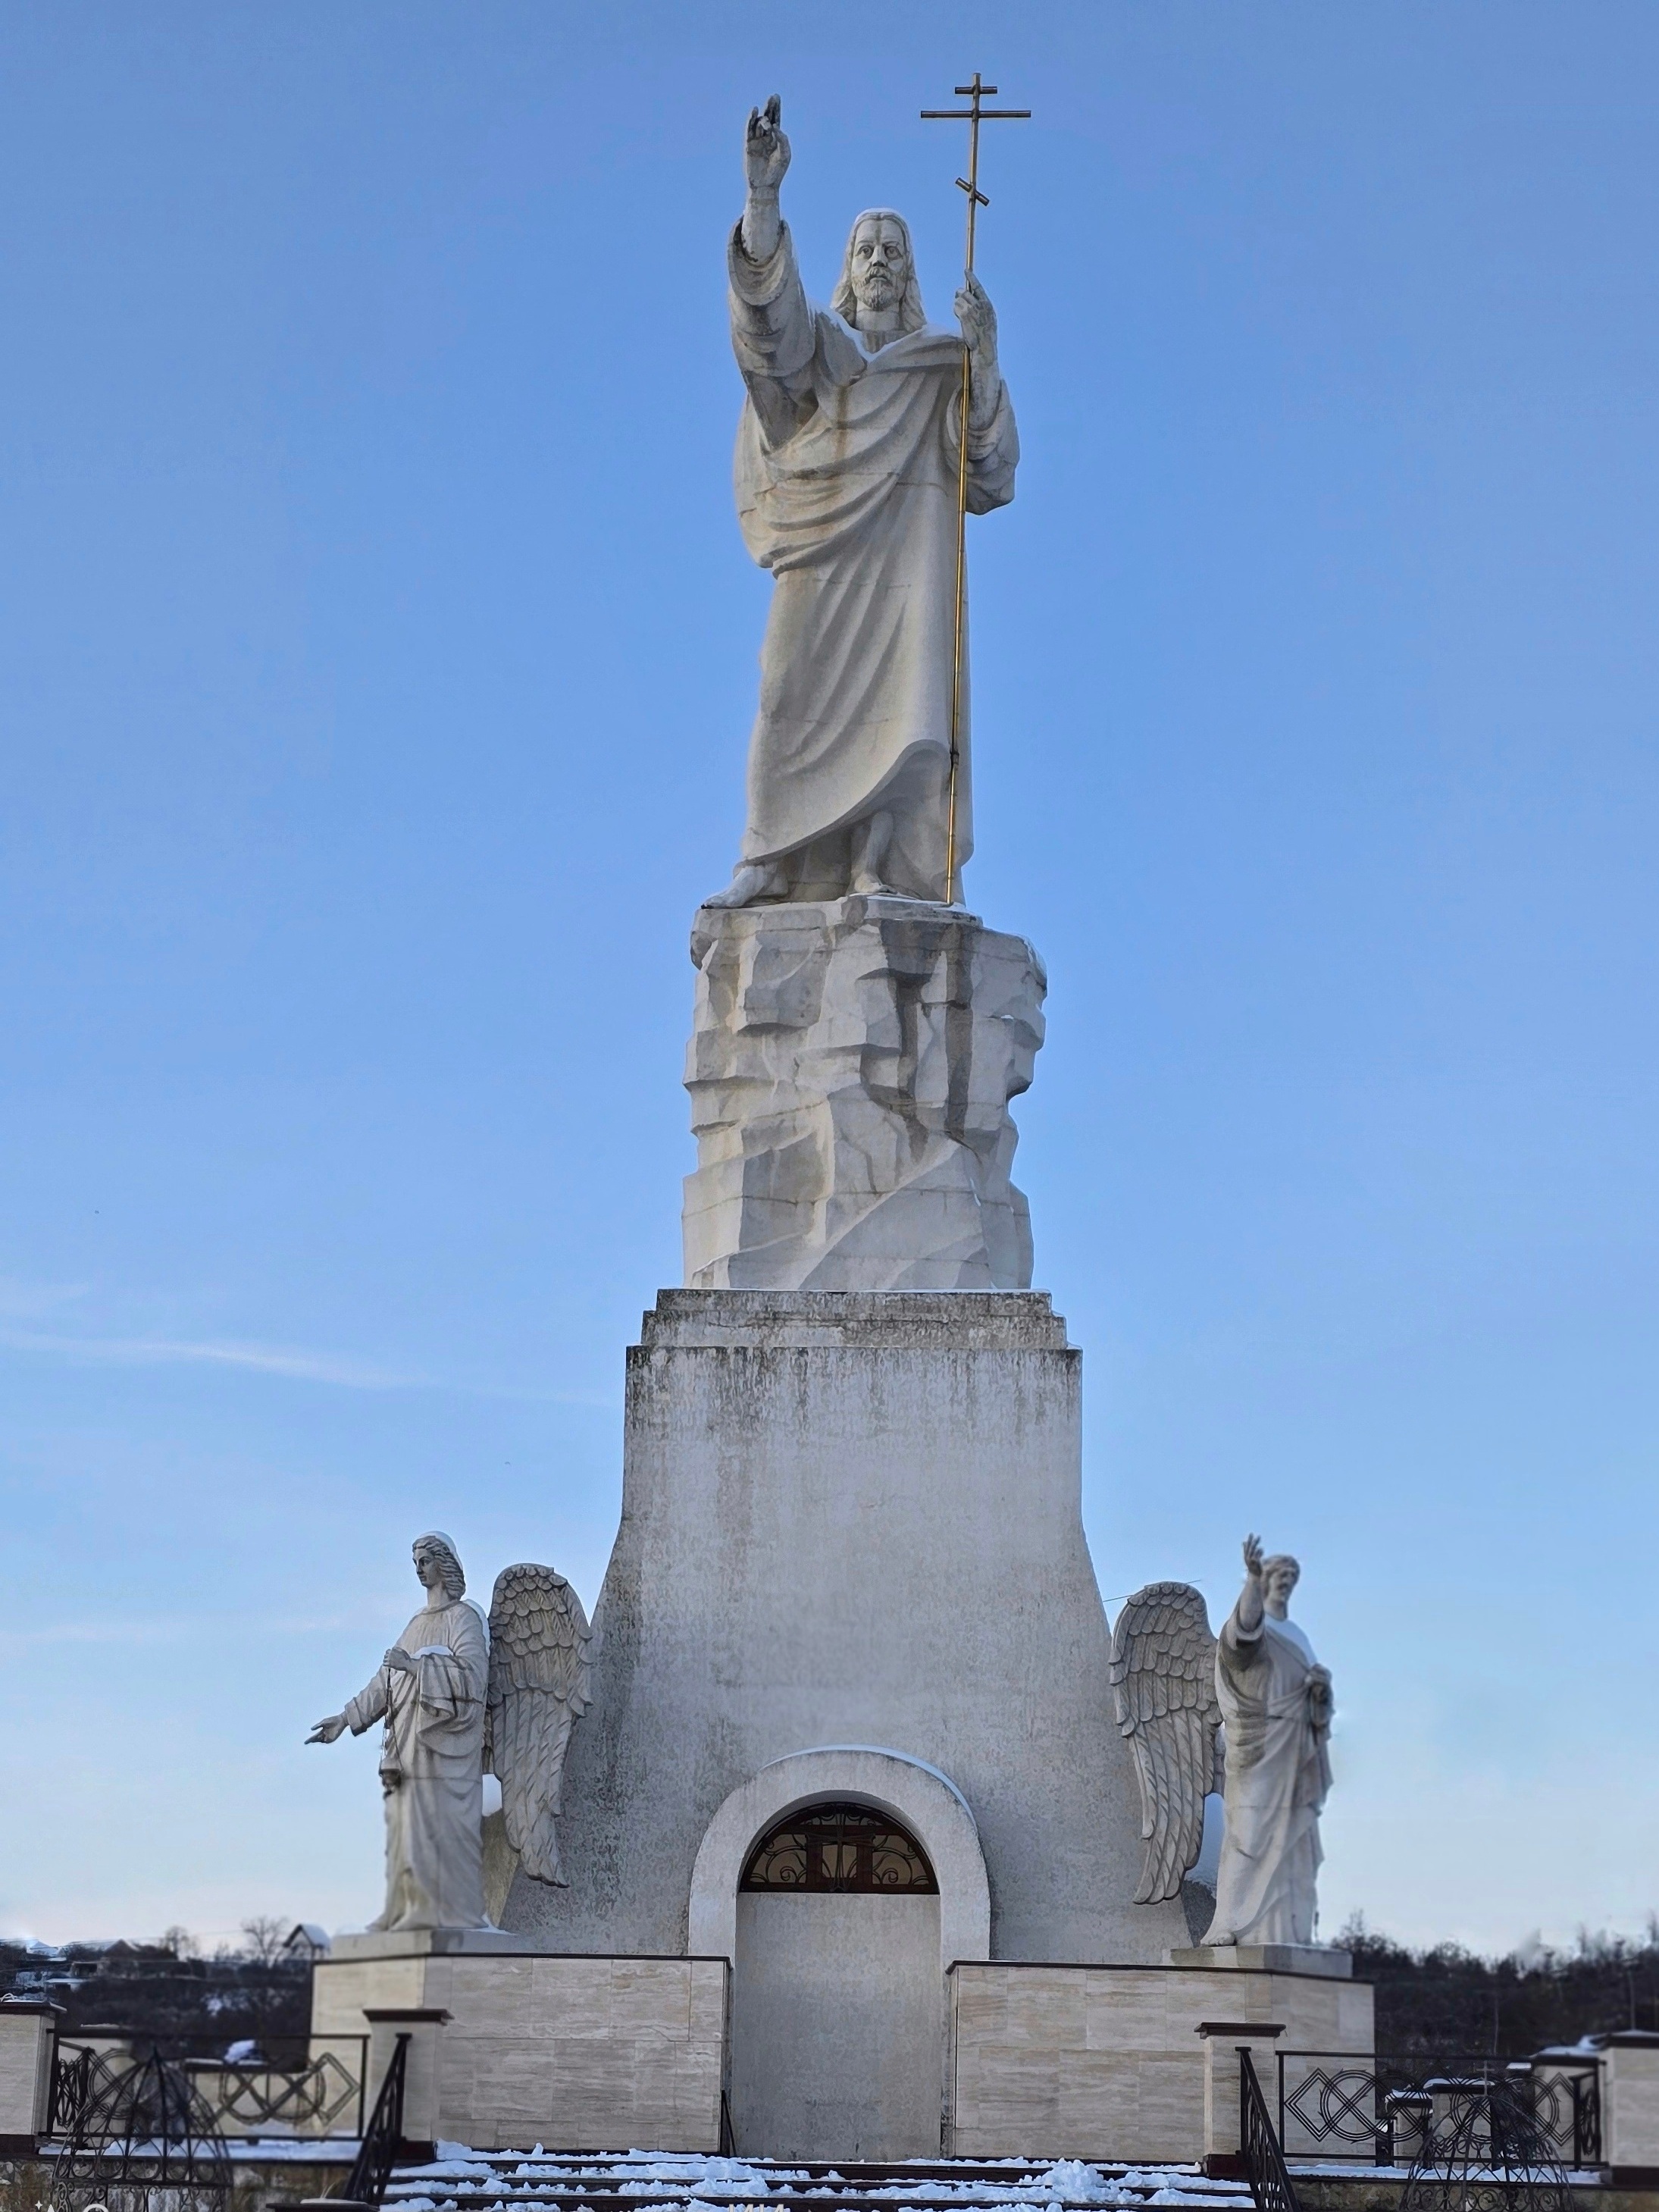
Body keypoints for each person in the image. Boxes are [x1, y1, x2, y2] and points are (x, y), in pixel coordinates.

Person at [705, 96, 1019, 910]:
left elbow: (988, 475)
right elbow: (768, 338)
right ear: (848, 267)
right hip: (824, 557)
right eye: (866, 248)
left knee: (906, 709)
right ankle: (770, 855)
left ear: (910, 272)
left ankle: (875, 866)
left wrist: (981, 362)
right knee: (782, 686)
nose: (879, 259)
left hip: (905, 570)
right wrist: (763, 202)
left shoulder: (933, 373)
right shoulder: (825, 351)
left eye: (893, 250)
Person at [308, 1531, 491, 1931]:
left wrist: (416, 1667)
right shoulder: (415, 1624)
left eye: (425, 1561)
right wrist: (345, 1718)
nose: (419, 1569)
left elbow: (474, 1679)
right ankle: (406, 1907)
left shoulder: (464, 1618)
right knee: (407, 1823)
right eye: (415, 1563)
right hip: (408, 1743)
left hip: (446, 1745)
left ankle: (437, 1910)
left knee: (438, 1824)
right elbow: (384, 1680)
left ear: (443, 1564)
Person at [1204, 1533, 1334, 1947]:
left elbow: (1316, 1703)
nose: (1285, 1581)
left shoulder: (1298, 1635)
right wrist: (1250, 1584)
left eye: (1290, 1576)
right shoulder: (1258, 1621)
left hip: (1295, 1749)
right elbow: (1240, 1642)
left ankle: (1288, 1932)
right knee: (1248, 1832)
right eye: (1278, 1574)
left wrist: (1320, 1692)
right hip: (1258, 1747)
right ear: (1265, 1579)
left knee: (1292, 1845)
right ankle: (1231, 1922)